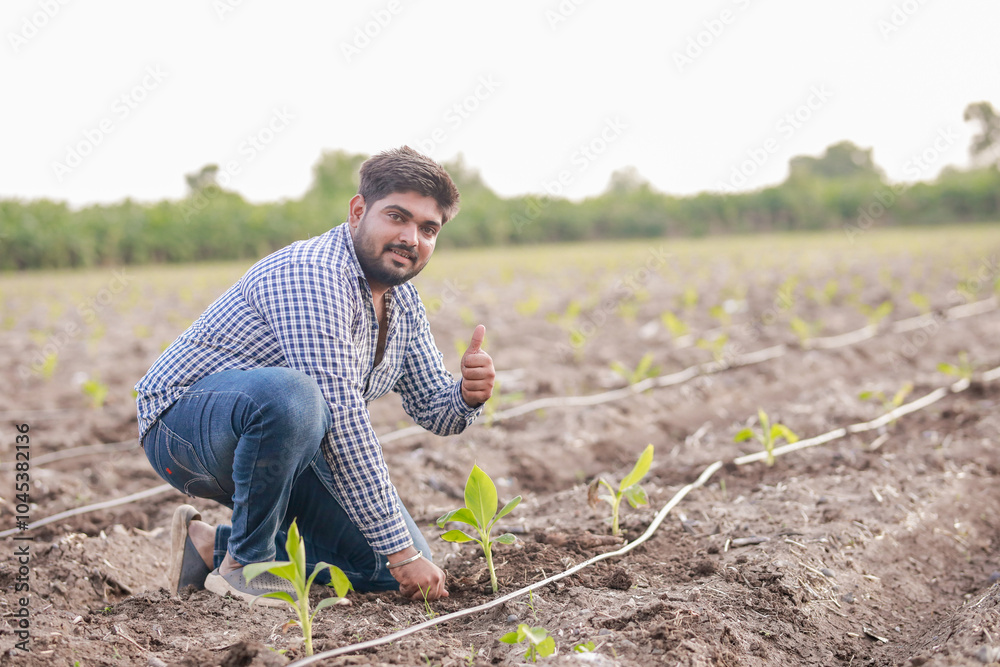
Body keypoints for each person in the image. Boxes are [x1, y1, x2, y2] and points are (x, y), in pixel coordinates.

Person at [135, 146, 494, 605]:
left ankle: (209, 546)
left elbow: (434, 409)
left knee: (383, 571)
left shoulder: (403, 303)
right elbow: (339, 416)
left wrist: (466, 395)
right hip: (182, 428)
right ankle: (246, 563)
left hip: (284, 443)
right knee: (296, 396)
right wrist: (401, 551)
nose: (411, 237)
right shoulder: (315, 275)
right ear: (358, 211)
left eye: (428, 229)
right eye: (397, 217)